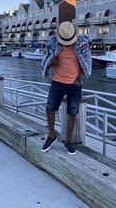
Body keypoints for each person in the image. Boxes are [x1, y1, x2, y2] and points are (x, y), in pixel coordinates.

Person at [41, 21, 92, 155]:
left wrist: (78, 78)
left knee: (72, 113)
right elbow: (47, 62)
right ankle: (52, 135)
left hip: (74, 84)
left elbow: (86, 63)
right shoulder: (53, 45)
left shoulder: (82, 46)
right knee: (49, 108)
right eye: (64, 41)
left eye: (69, 41)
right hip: (57, 81)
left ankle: (67, 141)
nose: (66, 43)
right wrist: (53, 62)